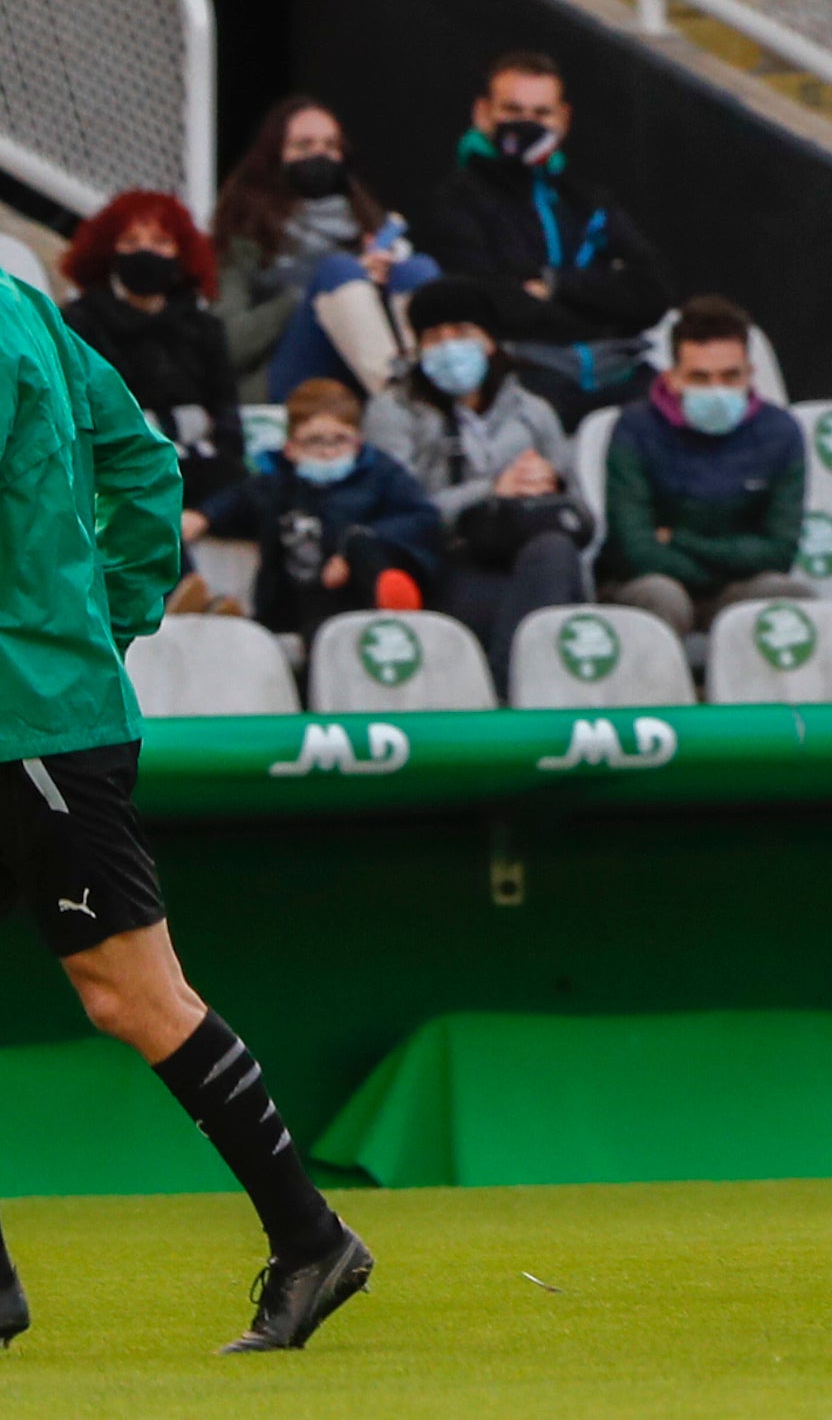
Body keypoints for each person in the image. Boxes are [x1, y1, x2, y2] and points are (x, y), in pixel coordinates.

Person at [0, 245, 375, 1350]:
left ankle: (311, 1237)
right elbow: (145, 463)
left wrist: (73, 637)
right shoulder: (24, 305)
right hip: (43, 703)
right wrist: (97, 620)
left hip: (30, 725)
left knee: (134, 995)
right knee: (133, 994)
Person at [404, 50, 672, 404]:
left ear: (563, 119)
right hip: (525, 378)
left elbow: (654, 291)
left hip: (621, 371)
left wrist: (553, 284)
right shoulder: (455, 201)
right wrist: (605, 315)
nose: (526, 124)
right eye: (512, 111)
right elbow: (491, 302)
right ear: (483, 113)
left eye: (541, 113)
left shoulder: (589, 200)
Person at [364, 282, 596, 644]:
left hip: (528, 551)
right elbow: (399, 513)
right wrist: (491, 491)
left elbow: (580, 510)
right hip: (450, 558)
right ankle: (513, 688)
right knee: (496, 602)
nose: (449, 346)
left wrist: (550, 483)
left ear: (489, 342)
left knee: (556, 553)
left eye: (461, 333)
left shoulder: (532, 411)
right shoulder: (394, 412)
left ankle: (523, 686)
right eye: (434, 337)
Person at [592, 297, 807, 643]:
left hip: (735, 589)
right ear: (673, 378)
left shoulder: (781, 432)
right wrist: (728, 557)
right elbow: (635, 550)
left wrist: (678, 539)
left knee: (787, 594)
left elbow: (779, 551)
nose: (717, 390)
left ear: (750, 374)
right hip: (650, 584)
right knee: (661, 595)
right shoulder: (633, 430)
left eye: (730, 376)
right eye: (700, 378)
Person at [181, 382, 443, 661]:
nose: (329, 451)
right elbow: (238, 501)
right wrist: (203, 516)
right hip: (291, 605)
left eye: (340, 439)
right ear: (291, 448)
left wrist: (353, 545)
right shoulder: (277, 484)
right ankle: (201, 607)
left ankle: (392, 604)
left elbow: (422, 518)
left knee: (361, 545)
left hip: (351, 596)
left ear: (358, 442)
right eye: (315, 441)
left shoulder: (381, 476)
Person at [205, 97, 415, 398]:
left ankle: (428, 396)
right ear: (273, 156)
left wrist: (377, 288)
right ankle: (403, 402)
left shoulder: (368, 226)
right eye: (304, 145)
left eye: (330, 146)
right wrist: (307, 298)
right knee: (337, 270)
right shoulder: (243, 236)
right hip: (282, 378)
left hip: (357, 375)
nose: (320, 155)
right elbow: (227, 345)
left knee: (413, 269)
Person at [59, 196, 235, 507]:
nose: (145, 252)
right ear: (108, 252)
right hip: (116, 471)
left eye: (161, 241)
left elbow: (227, 418)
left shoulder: (204, 328)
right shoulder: (79, 322)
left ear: (182, 252)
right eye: (130, 241)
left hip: (198, 471)